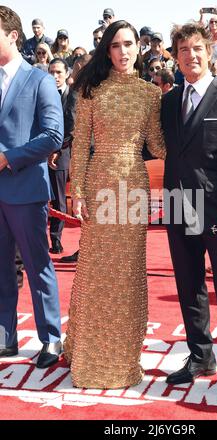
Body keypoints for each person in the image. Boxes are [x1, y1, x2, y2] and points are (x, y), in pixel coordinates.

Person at [63, 20, 165, 389]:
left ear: (139, 48)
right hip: (99, 180)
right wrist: (78, 194)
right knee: (95, 270)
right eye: (116, 45)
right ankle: (89, 353)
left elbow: (158, 144)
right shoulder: (92, 90)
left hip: (133, 186)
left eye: (129, 44)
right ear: (107, 50)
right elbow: (79, 143)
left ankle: (122, 358)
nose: (123, 51)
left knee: (128, 272)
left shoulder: (149, 94)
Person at [161, 22, 217, 408]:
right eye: (183, 50)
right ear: (176, 56)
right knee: (188, 285)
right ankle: (201, 355)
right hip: (179, 206)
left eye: (197, 48)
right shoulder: (168, 101)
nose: (191, 56)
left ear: (210, 50)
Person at [0, 6, 63, 367]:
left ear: (13, 35)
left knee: (38, 265)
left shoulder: (39, 80)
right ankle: (5, 337)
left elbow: (53, 134)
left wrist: (9, 157)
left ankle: (51, 338)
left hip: (25, 190)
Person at [48, 58, 77, 254]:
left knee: (59, 200)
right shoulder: (44, 95)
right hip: (41, 154)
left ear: (67, 74)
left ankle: (56, 240)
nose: (55, 76)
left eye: (59, 72)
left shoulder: (73, 97)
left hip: (62, 153)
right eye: (51, 72)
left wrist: (55, 151)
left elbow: (71, 128)